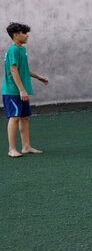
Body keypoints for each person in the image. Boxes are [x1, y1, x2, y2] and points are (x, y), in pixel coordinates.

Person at [3, 22, 49, 158]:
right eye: (24, 33)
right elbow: (13, 70)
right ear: (16, 35)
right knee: (14, 117)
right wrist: (22, 90)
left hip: (21, 90)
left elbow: (23, 69)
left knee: (24, 118)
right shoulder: (13, 50)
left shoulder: (21, 49)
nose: (27, 35)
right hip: (12, 91)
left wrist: (39, 77)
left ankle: (26, 146)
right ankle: (12, 149)